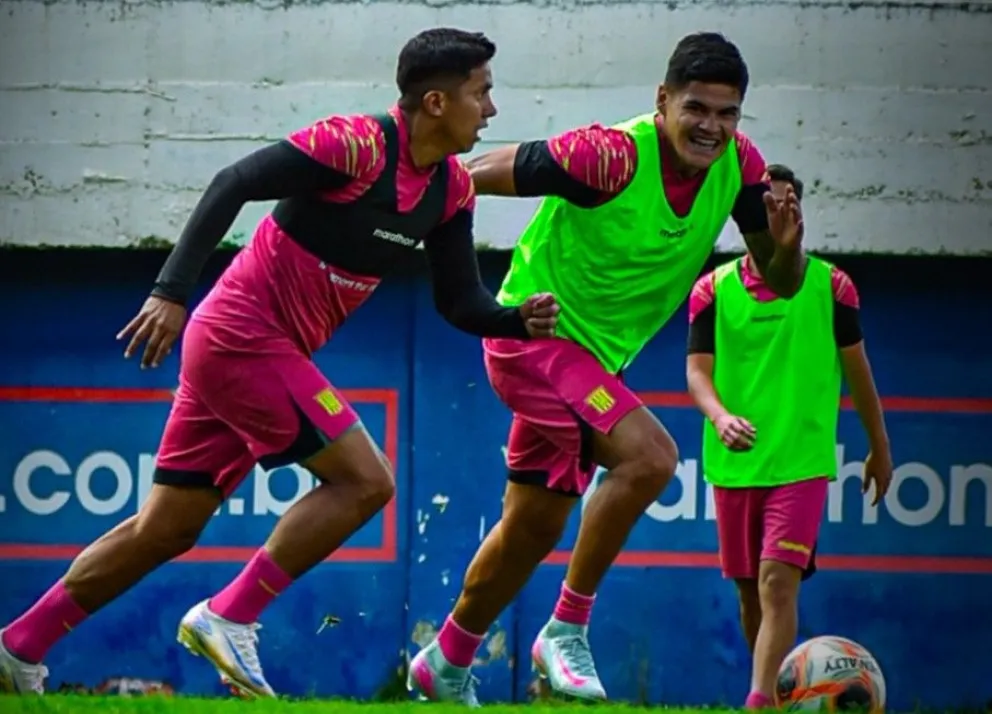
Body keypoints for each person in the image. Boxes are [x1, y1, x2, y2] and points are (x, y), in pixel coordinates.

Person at [0, 28, 561, 698]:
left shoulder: (451, 193)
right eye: (482, 92)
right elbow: (233, 181)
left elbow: (460, 301)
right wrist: (169, 292)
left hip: (256, 355)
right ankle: (229, 615)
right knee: (367, 482)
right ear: (437, 102)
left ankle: (18, 646)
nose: (492, 110)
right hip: (241, 336)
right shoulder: (353, 144)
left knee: (164, 528)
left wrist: (513, 319)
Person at [408, 32, 805, 705]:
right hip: (531, 337)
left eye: (727, 113)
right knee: (651, 459)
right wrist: (402, 199)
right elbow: (477, 171)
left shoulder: (741, 169)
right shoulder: (610, 155)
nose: (711, 126)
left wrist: (789, 250)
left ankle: (444, 662)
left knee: (531, 529)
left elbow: (782, 280)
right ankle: (566, 629)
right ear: (663, 100)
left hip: (593, 363)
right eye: (696, 108)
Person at [685, 164, 893, 709]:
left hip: (800, 462)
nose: (781, 210)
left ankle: (756, 702)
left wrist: (881, 448)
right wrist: (719, 415)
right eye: (770, 202)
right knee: (751, 593)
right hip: (736, 464)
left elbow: (858, 371)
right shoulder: (711, 289)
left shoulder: (833, 286)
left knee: (778, 582)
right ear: (750, 215)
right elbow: (697, 372)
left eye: (789, 200)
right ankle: (779, 698)